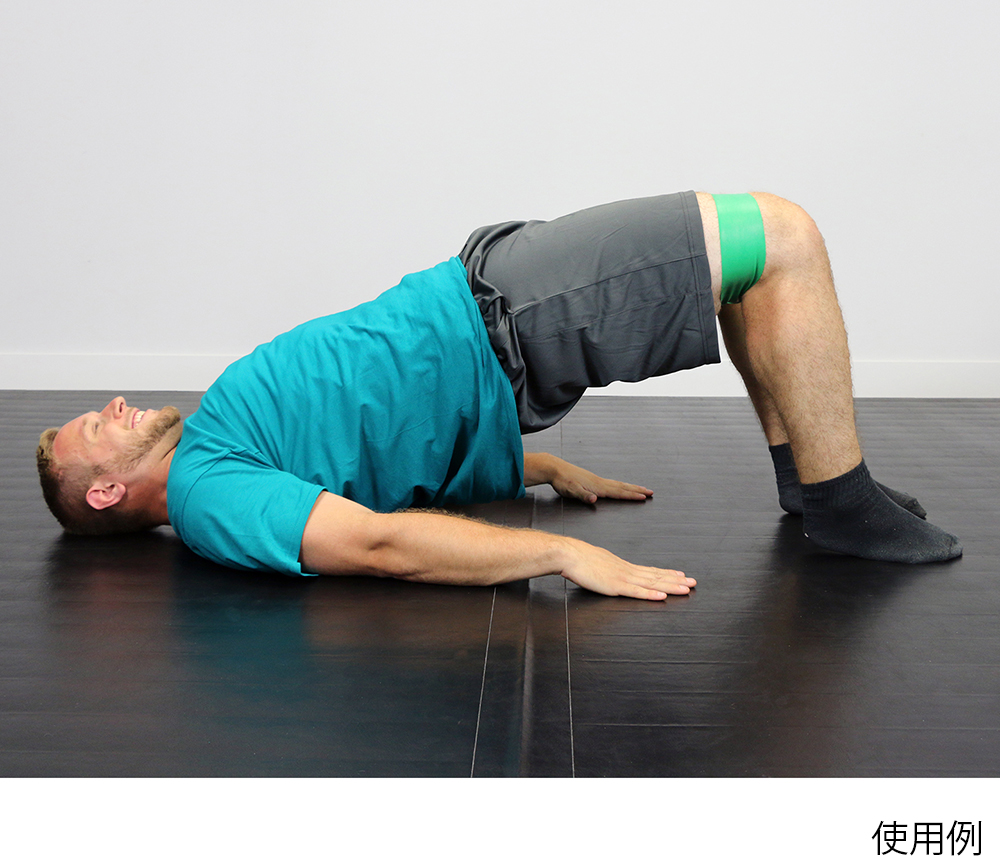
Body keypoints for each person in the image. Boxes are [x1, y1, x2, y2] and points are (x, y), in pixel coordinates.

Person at [35, 190, 962, 601]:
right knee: (780, 236)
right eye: (93, 428)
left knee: (740, 272)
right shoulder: (209, 495)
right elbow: (378, 541)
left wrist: (535, 465)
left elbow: (372, 459)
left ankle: (812, 483)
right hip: (504, 315)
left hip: (492, 307)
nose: (112, 406)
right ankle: (840, 501)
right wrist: (558, 555)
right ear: (106, 491)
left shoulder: (220, 456)